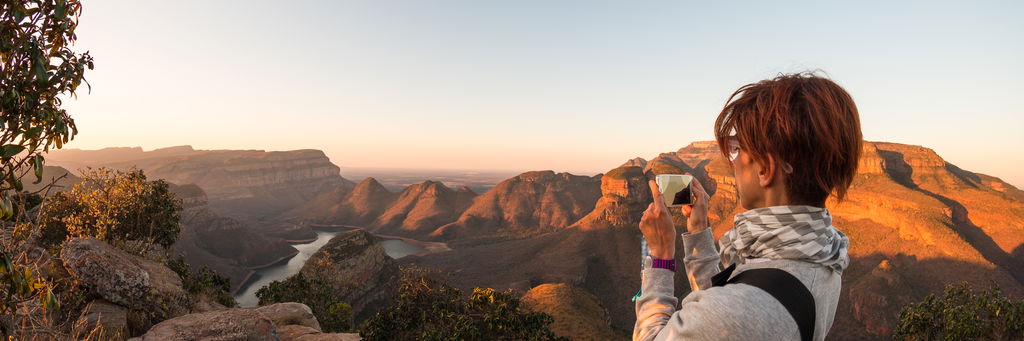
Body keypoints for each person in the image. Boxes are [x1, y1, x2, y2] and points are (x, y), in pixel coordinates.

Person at [634, 72, 860, 341]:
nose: (733, 161)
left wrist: (660, 255)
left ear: (765, 168)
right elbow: (722, 304)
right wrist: (698, 232)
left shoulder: (737, 312)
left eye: (738, 149)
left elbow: (717, 317)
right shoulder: (826, 254)